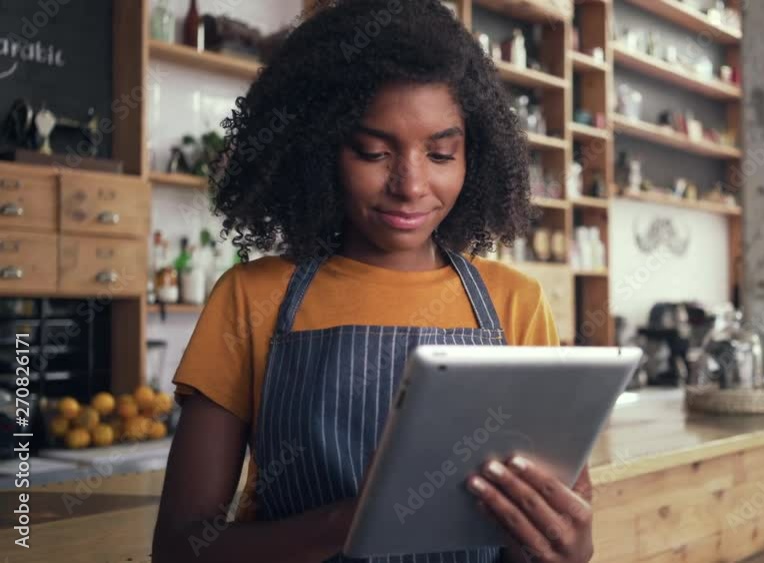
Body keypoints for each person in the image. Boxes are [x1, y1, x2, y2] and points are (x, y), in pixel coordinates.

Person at [151, 1, 594, 562]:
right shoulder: (251, 299)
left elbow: (530, 540)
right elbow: (178, 548)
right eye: (373, 152)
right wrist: (351, 522)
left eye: (440, 153)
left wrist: (566, 548)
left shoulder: (516, 303)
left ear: (472, 157)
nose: (410, 185)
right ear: (317, 148)